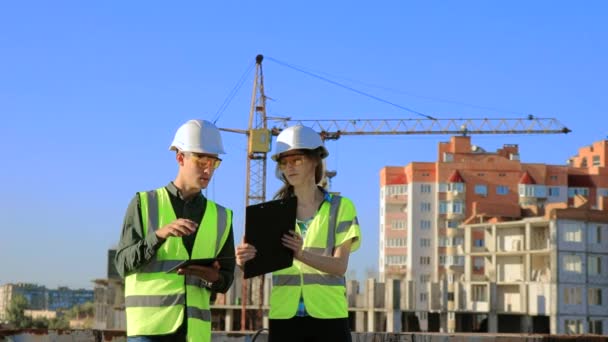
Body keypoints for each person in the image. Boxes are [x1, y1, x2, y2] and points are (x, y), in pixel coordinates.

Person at [236, 125, 361, 342]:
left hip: (329, 317)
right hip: (285, 317)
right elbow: (256, 264)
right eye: (284, 162)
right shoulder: (272, 212)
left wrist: (300, 253)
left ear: (315, 160)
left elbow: (339, 266)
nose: (289, 167)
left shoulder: (341, 207)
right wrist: (243, 260)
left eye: (297, 160)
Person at [115, 119, 236, 342]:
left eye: (214, 162)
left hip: (194, 333)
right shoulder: (144, 203)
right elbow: (122, 264)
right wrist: (159, 235)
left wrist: (212, 277)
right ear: (180, 157)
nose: (208, 169)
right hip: (149, 331)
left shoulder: (221, 217)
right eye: (201, 160)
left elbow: (226, 279)